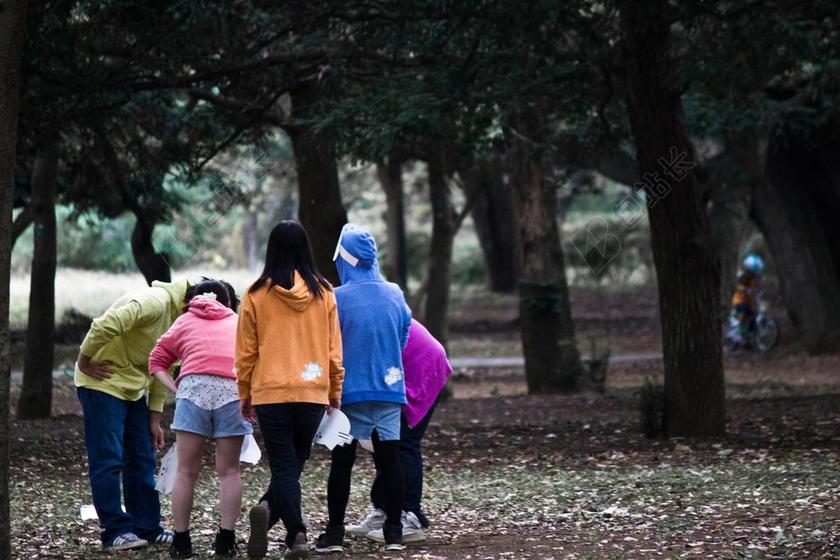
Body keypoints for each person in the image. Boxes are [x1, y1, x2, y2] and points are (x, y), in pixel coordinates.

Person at [236, 221, 344, 560]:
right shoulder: (324, 292)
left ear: (271, 250)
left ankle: (271, 511)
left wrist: (244, 393)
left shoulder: (255, 294)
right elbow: (333, 349)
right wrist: (335, 389)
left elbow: (246, 352)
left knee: (285, 466)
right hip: (312, 391)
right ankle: (296, 534)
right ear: (305, 249)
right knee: (292, 465)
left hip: (270, 392)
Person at [315, 224, 412, 554]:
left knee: (342, 464)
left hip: (348, 393)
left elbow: (328, 343)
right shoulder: (395, 293)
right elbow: (403, 336)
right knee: (390, 462)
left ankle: (334, 534)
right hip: (389, 390)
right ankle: (394, 532)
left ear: (343, 258)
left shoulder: (336, 297)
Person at [75, 278, 189, 551]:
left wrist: (154, 418)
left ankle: (147, 527)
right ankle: (114, 531)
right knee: (108, 459)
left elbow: (163, 365)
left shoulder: (181, 322)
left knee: (142, 457)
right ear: (190, 302)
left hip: (133, 389)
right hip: (102, 382)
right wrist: (84, 361)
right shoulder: (155, 302)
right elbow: (104, 324)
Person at [147, 278, 250, 559]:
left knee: (186, 471)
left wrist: (177, 388)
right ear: (228, 302)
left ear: (192, 299)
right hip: (232, 392)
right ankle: (226, 540)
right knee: (230, 471)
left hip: (193, 392)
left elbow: (155, 361)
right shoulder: (239, 323)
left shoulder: (183, 321)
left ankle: (181, 541)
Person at [348, 319, 452, 543]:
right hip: (399, 369)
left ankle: (410, 516)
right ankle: (385, 509)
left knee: (402, 443)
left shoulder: (344, 311)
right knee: (382, 440)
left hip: (422, 366)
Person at [730, 252, 765, 343]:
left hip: (750, 301)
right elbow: (738, 286)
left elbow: (757, 288)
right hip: (739, 300)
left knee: (754, 314)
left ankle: (748, 337)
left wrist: (758, 291)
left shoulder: (754, 279)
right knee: (744, 309)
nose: (754, 274)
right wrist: (744, 289)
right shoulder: (742, 276)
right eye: (753, 272)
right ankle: (736, 331)